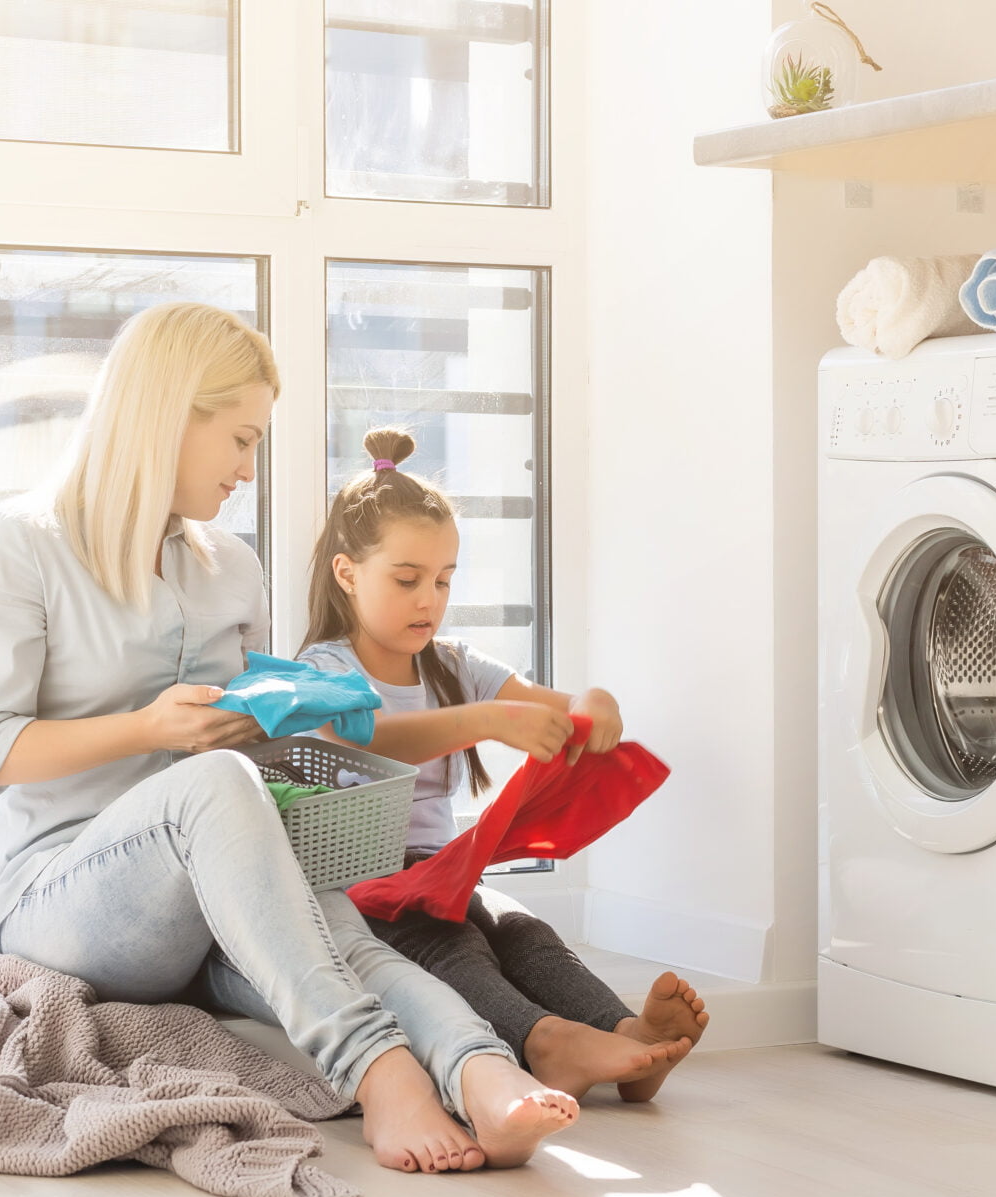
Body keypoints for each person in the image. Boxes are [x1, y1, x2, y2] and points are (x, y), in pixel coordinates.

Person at [0, 302, 574, 1174]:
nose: (248, 466)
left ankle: (485, 1074)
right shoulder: (16, 547)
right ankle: (382, 1076)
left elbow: (259, 733)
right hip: (58, 893)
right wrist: (153, 727)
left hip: (210, 883)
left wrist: (300, 705)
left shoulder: (228, 566)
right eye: (239, 439)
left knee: (338, 927)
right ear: (169, 418)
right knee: (218, 785)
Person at [296, 428, 709, 1102]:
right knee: (454, 945)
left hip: (438, 874)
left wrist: (595, 703)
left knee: (523, 932)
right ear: (347, 574)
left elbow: (564, 707)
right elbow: (368, 736)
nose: (429, 599)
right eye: (407, 580)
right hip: (358, 892)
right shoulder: (323, 671)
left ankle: (628, 1033)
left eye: (443, 580)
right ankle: (546, 1043)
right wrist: (485, 720)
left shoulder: (455, 664)